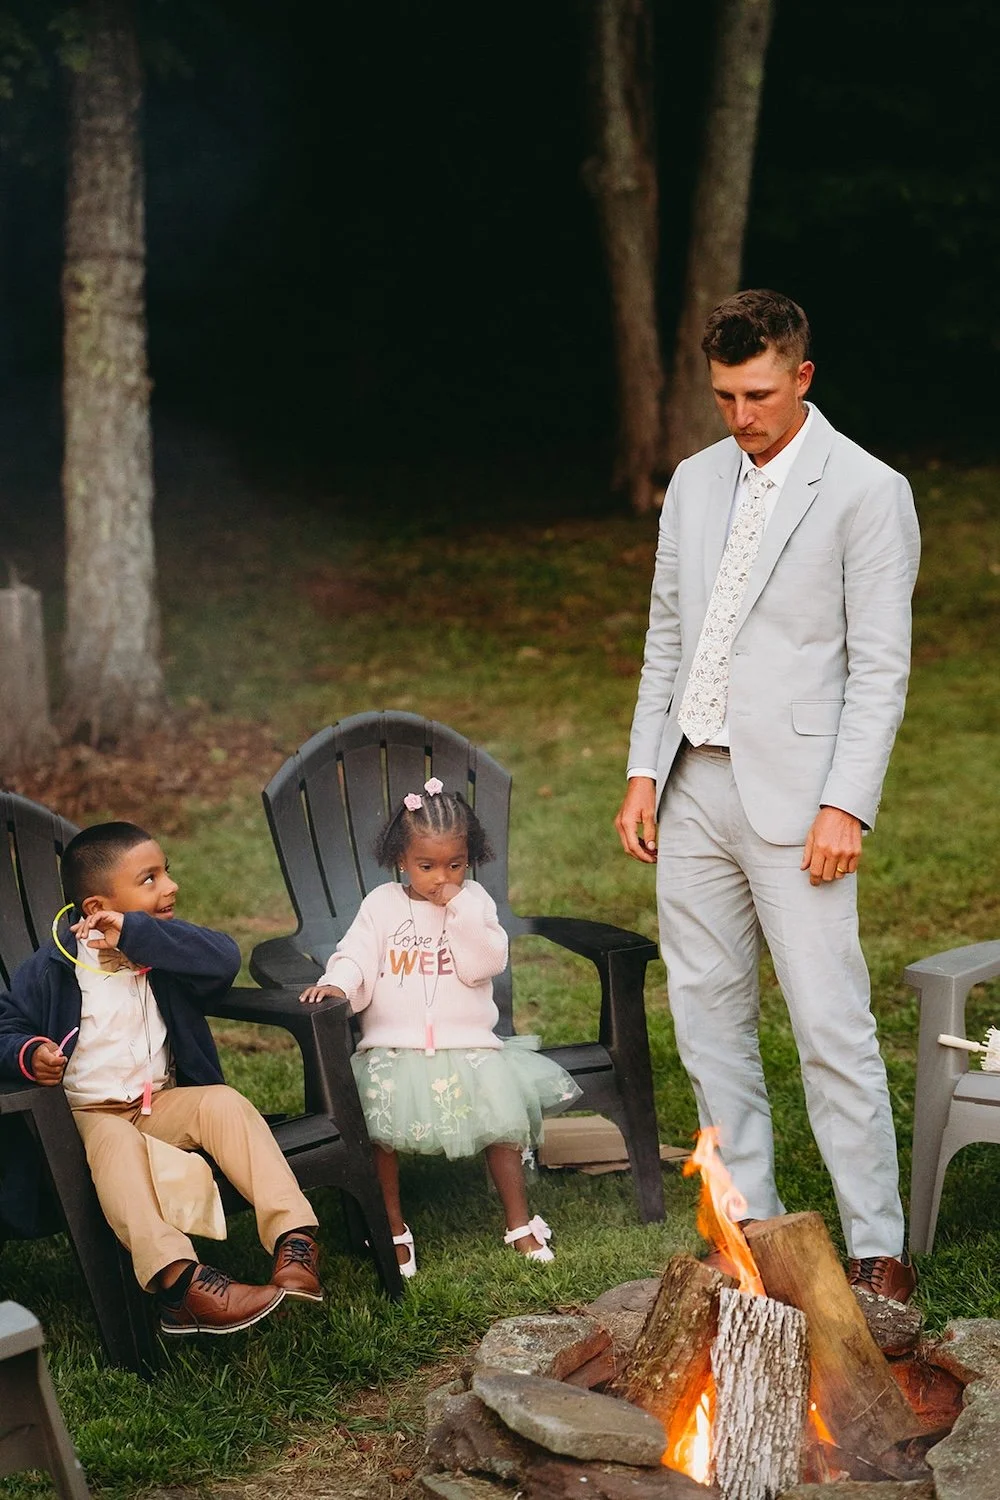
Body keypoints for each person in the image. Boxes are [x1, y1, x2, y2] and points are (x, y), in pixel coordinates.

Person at [615, 289, 921, 1302]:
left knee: (829, 1021)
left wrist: (848, 802)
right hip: (694, 781)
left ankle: (875, 1244)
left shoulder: (867, 491)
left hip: (801, 799)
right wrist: (642, 769)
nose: (737, 416)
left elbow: (879, 668)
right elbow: (669, 634)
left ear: (801, 376)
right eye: (720, 396)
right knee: (706, 1017)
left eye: (755, 394)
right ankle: (744, 1230)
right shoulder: (696, 483)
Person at [0, 821, 323, 1334]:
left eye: (165, 872)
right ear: (95, 907)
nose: (170, 886)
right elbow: (6, 1023)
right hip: (87, 1118)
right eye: (149, 879)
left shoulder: (164, 948)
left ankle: (294, 1238)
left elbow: (223, 959)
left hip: (160, 1103)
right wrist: (29, 1050)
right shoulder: (53, 969)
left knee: (223, 1103)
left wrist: (140, 935)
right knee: (117, 1145)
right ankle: (179, 1284)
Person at [299, 778, 580, 1275]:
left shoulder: (473, 902)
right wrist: (340, 986)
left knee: (501, 1124)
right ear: (400, 860)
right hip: (394, 1047)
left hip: (467, 1044)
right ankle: (393, 1226)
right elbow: (356, 956)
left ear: (469, 858)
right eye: (426, 866)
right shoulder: (382, 905)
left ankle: (518, 1221)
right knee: (380, 1133)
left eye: (454, 865)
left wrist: (462, 908)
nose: (440, 878)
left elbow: (485, 962)